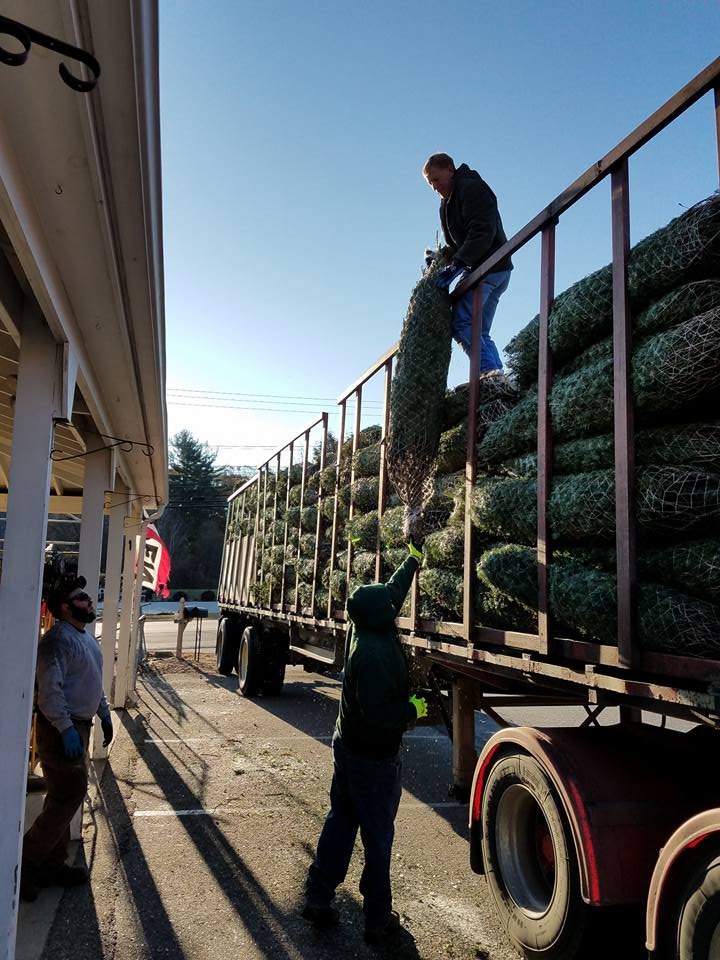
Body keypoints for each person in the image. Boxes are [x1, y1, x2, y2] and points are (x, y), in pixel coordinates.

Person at [303, 544, 428, 944]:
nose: (394, 606)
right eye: (389, 606)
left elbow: (390, 592)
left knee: (341, 820)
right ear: (380, 616)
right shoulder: (373, 654)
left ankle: (318, 896)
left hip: (348, 746)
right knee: (377, 836)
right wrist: (411, 709)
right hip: (371, 756)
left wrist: (412, 559)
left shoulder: (363, 621)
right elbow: (379, 714)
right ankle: (376, 917)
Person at [21, 575, 113, 901]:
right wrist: (65, 728)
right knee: (68, 794)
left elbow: (91, 680)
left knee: (63, 796)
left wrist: (103, 712)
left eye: (87, 597)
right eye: (82, 598)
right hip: (62, 730)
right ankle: (27, 862)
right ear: (65, 606)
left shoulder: (84, 637)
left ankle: (52, 864)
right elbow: (49, 692)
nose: (89, 601)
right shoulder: (57, 641)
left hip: (79, 726)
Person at [423, 152, 513, 372]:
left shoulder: (472, 188)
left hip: (489, 267)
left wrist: (459, 263)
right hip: (491, 269)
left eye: (436, 179)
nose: (434, 187)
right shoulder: (446, 205)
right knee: (479, 331)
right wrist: (442, 257)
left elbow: (482, 231)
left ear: (451, 170)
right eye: (429, 183)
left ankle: (488, 373)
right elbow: (456, 244)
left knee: (462, 323)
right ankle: (497, 376)